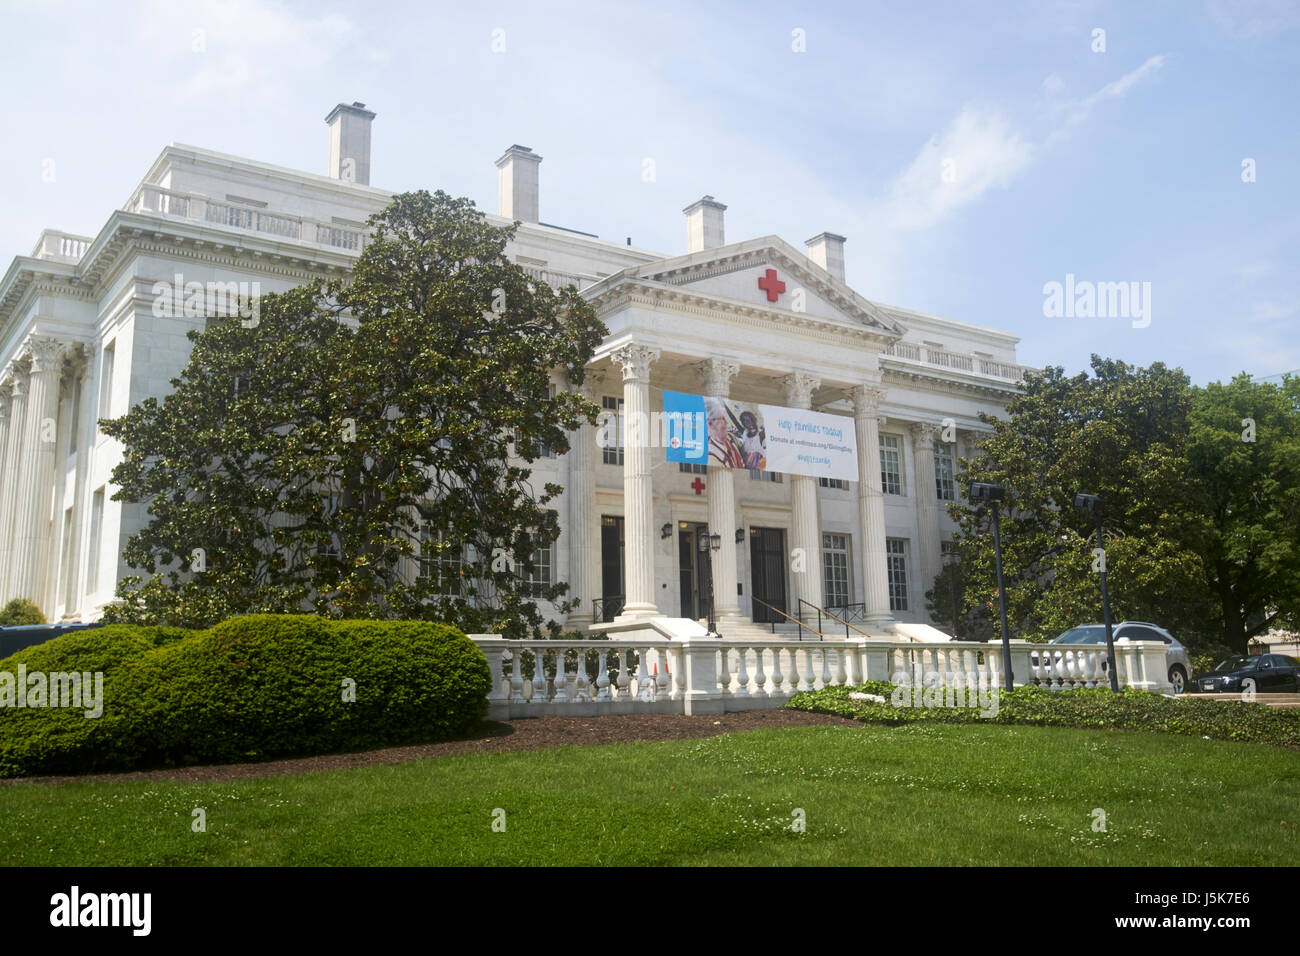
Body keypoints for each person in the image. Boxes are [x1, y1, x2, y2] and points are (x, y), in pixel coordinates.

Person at [705, 397, 745, 468]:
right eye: (722, 419)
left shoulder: (731, 437)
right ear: (710, 424)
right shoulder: (712, 457)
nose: (726, 422)